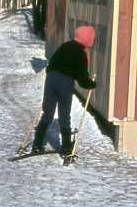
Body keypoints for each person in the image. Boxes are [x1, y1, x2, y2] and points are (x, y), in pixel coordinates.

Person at [30, 26, 97, 155]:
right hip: (65, 82)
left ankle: (37, 144)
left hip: (51, 79)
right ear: (86, 38)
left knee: (47, 112)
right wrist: (91, 84)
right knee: (64, 115)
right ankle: (66, 147)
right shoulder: (80, 53)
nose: (92, 41)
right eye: (92, 38)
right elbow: (82, 78)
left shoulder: (65, 46)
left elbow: (52, 63)